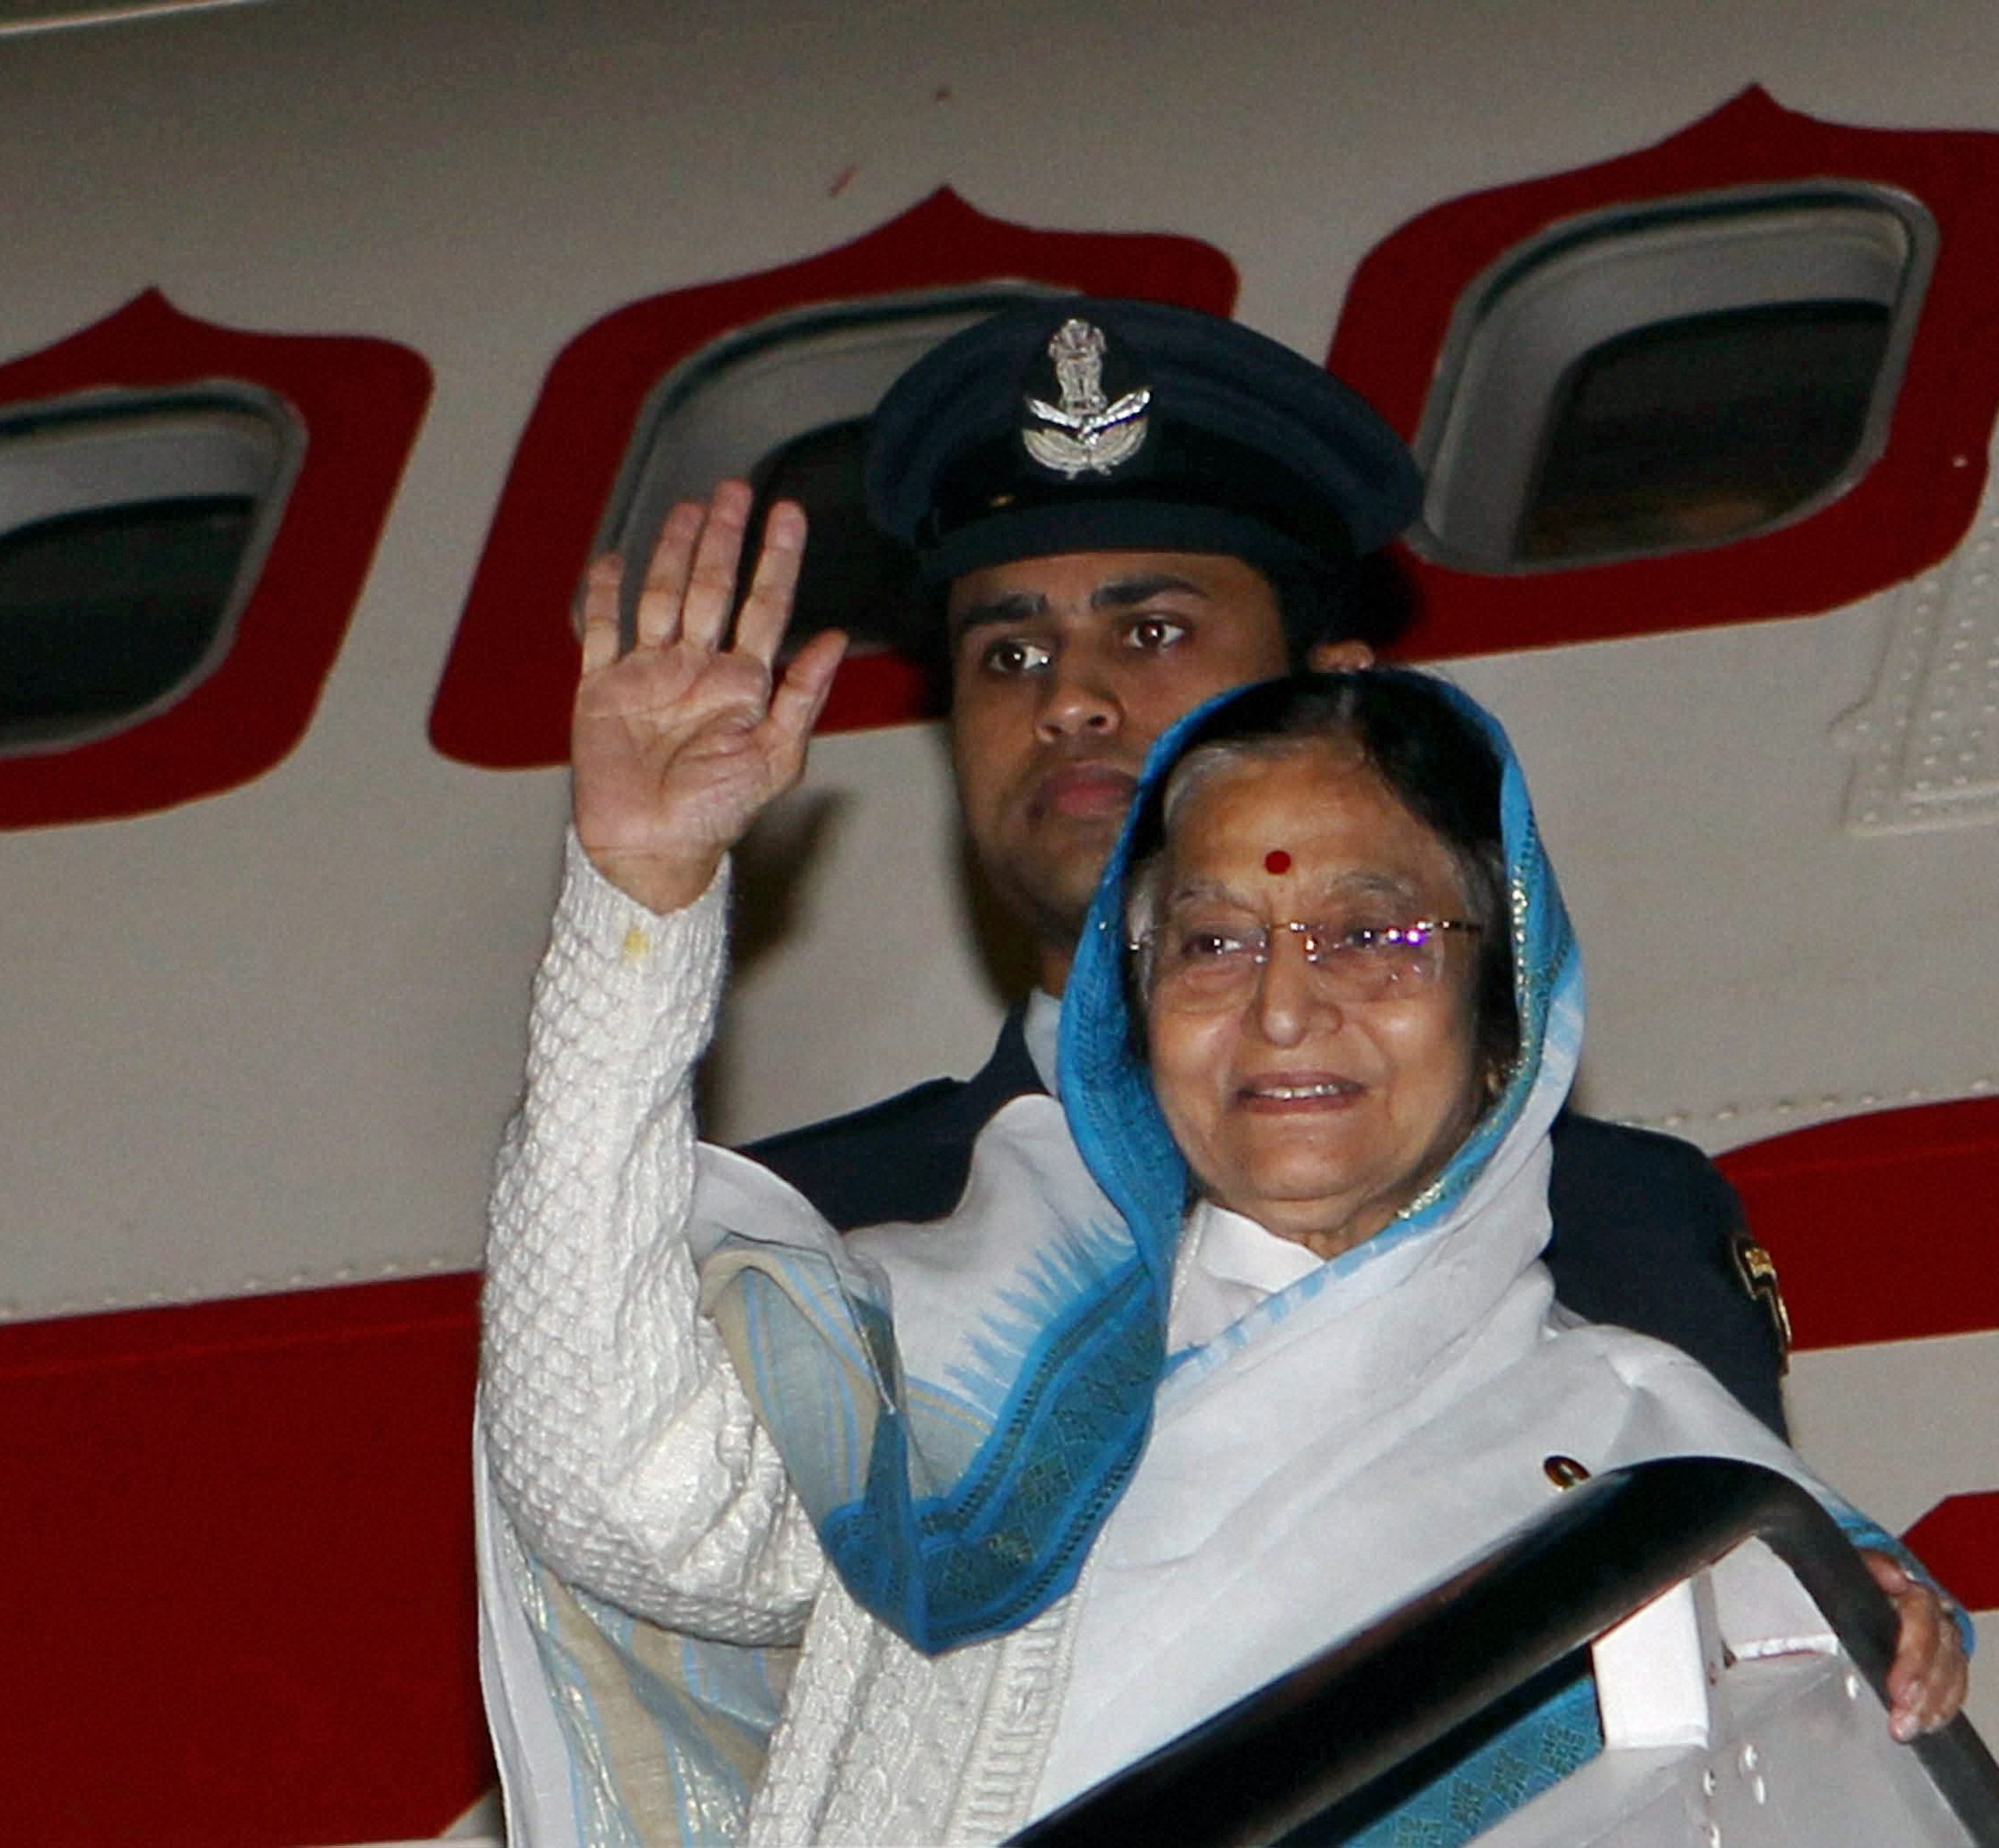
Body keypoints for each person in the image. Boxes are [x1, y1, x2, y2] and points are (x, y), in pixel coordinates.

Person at [477, 653, 1968, 1845]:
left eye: (1370, 937)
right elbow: (625, 1500)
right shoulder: (964, 1351)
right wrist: (641, 904)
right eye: (1211, 940)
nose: (1280, 1008)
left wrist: (1872, 1639)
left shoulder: (1648, 1448)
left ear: (1507, 1000)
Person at [698, 297, 1795, 1435]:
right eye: (1009, 652)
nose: (1068, 699)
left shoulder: (1605, 1220)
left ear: (1334, 692)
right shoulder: (811, 1243)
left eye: (1153, 630)